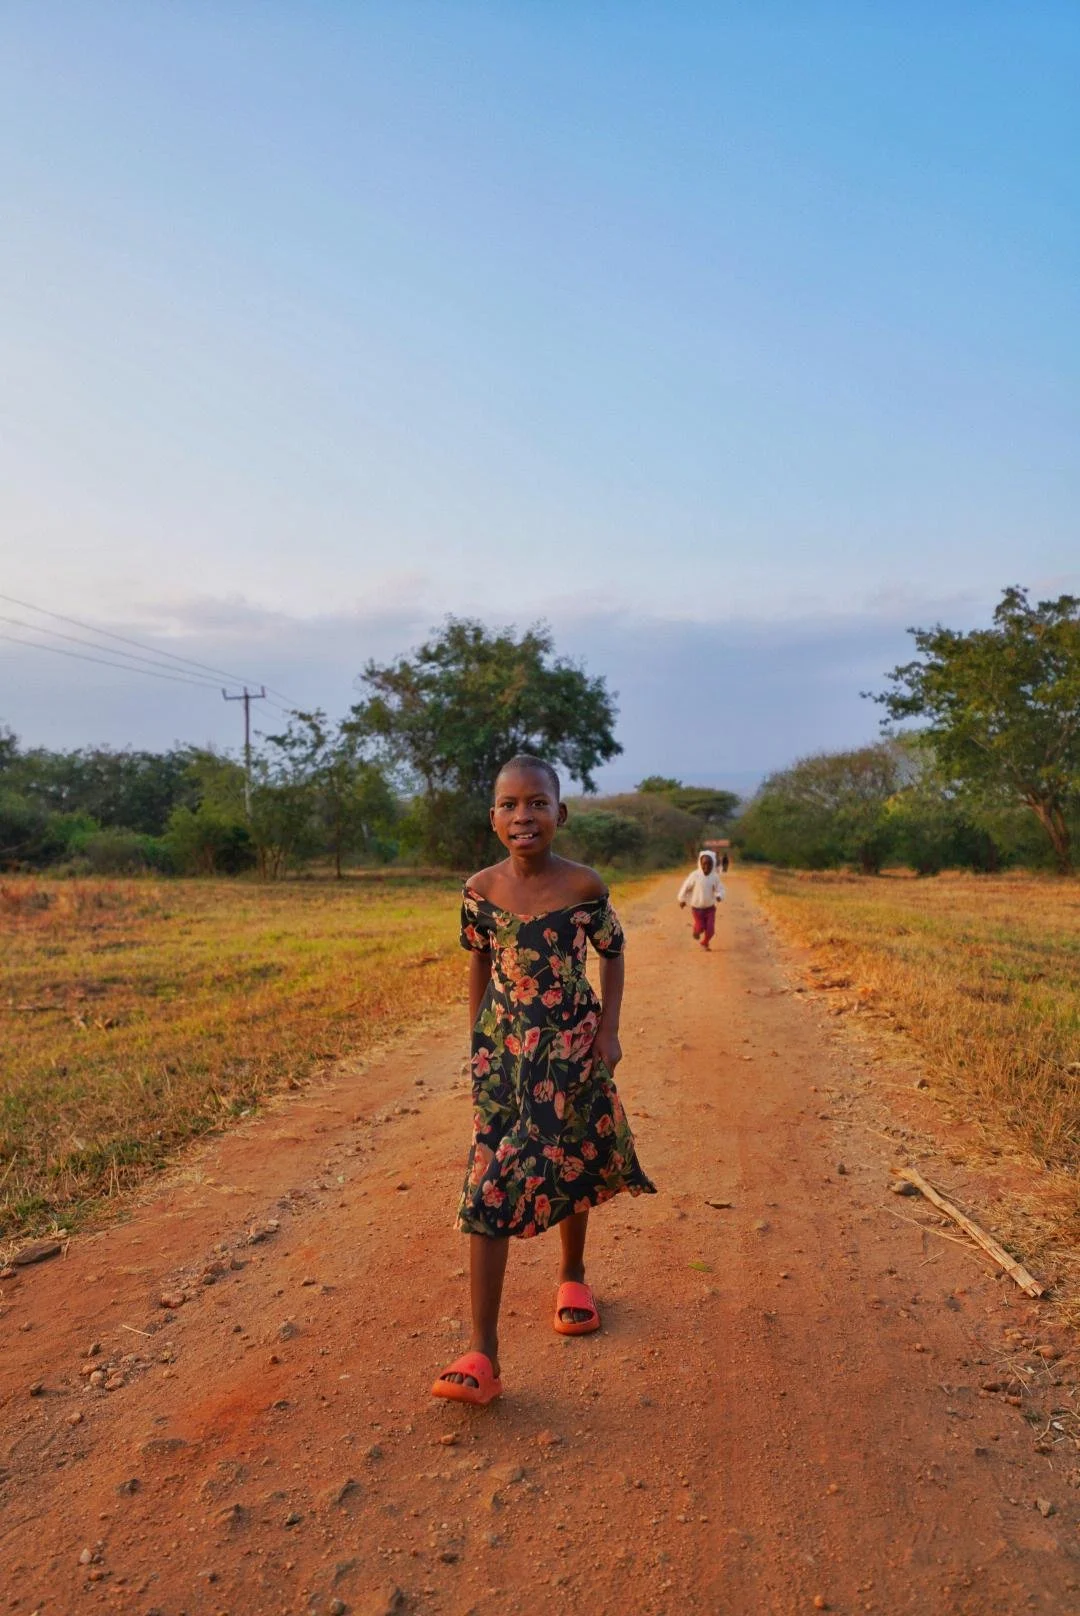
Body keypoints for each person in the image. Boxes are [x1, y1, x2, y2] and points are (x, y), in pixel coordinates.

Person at [432, 753, 656, 1406]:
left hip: (574, 1045)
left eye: (537, 803)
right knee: (489, 1181)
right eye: (509, 805)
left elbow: (613, 955)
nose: (523, 815)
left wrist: (609, 1032)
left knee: (572, 1161)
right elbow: (478, 962)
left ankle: (573, 1277)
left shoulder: (585, 887)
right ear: (493, 818)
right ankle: (482, 1352)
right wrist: (478, 1036)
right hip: (505, 1052)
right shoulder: (479, 890)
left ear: (561, 813)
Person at [677, 849, 725, 949]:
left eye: (709, 864)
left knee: (711, 930)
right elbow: (686, 887)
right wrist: (682, 899)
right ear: (700, 863)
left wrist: (720, 895)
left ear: (713, 864)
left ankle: (705, 942)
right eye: (704, 864)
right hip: (697, 908)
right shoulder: (695, 875)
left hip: (710, 908)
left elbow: (720, 888)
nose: (706, 867)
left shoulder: (714, 877)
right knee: (700, 927)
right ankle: (696, 931)